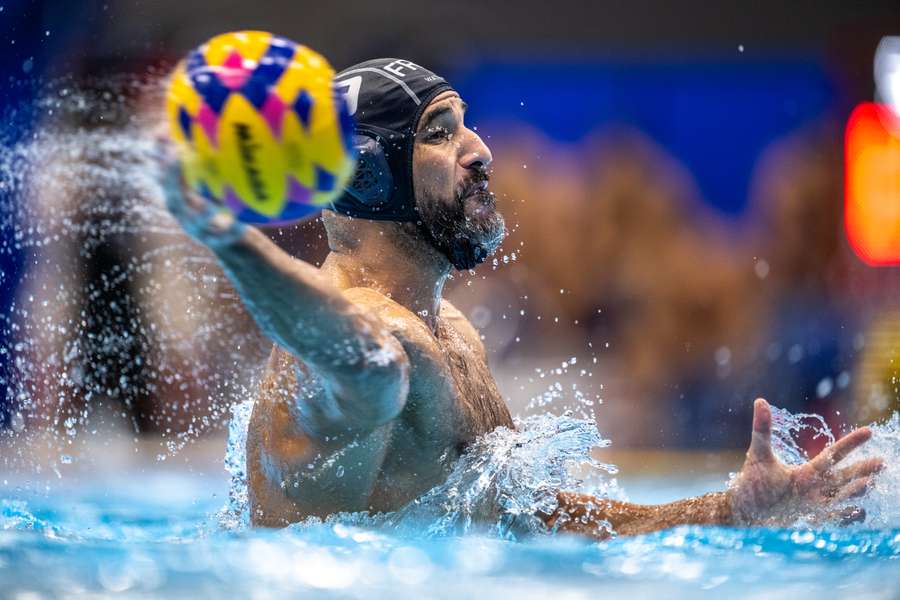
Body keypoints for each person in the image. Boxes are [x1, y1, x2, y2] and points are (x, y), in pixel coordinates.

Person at [163, 58, 883, 537]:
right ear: (372, 178)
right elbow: (346, 352)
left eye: (464, 121)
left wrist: (727, 511)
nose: (479, 148)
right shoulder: (366, 346)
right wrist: (228, 240)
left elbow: (530, 519)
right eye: (439, 133)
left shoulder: (450, 333)